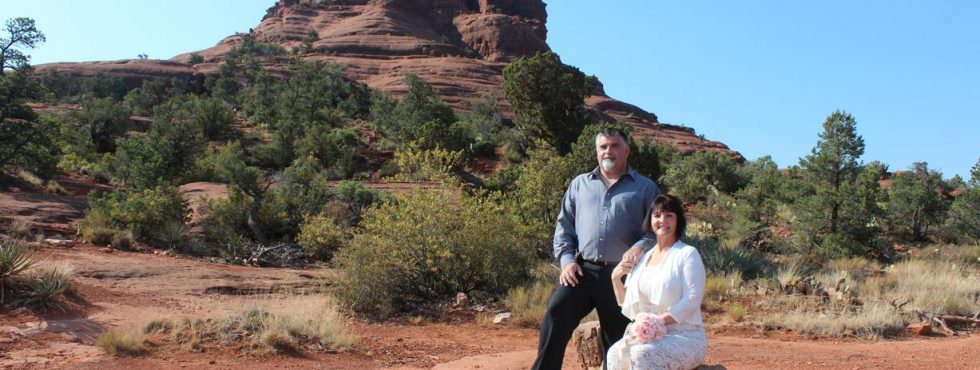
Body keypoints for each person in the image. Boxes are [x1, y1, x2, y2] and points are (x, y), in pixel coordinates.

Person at [532, 128, 660, 370]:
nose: (608, 151)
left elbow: (657, 231)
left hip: (622, 278)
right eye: (603, 147)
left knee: (619, 340)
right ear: (596, 151)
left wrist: (639, 248)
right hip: (582, 271)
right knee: (555, 314)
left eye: (614, 146)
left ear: (627, 150)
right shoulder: (579, 184)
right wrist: (567, 261)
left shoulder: (645, 188)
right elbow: (564, 228)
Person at [607, 194, 707, 370]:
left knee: (640, 355)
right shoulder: (644, 257)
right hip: (648, 337)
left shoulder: (687, 254)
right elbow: (627, 303)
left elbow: (693, 298)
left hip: (684, 335)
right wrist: (615, 278)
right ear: (650, 220)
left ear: (678, 221)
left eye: (669, 216)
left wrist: (659, 321)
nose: (663, 220)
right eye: (657, 215)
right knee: (614, 353)